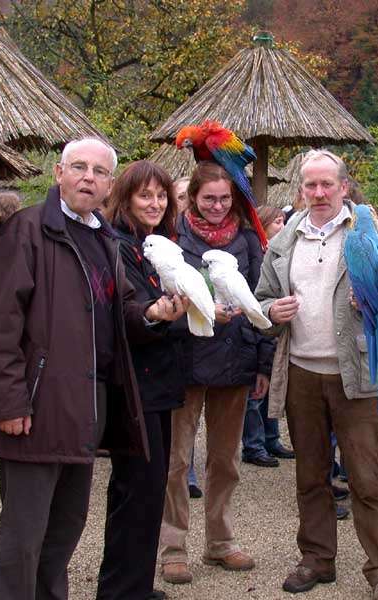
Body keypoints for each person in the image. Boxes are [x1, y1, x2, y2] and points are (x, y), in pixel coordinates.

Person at [0, 138, 186, 600]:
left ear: (109, 184)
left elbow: (121, 308)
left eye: (99, 171)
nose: (89, 177)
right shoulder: (26, 231)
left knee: (65, 529)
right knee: (24, 534)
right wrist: (8, 401)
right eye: (79, 167)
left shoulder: (103, 235)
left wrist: (153, 314)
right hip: (37, 407)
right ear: (58, 172)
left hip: (87, 406)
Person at [255, 149, 378, 600]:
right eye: (311, 185)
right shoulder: (284, 240)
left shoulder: (375, 233)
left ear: (344, 187)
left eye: (328, 184)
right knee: (311, 475)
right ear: (301, 190)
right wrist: (273, 310)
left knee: (368, 480)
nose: (319, 192)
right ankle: (317, 559)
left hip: (358, 375)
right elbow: (262, 300)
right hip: (302, 375)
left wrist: (377, 306)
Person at [159, 161, 274, 585]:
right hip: (185, 359)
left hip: (235, 359)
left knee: (225, 460)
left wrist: (263, 362)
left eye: (225, 198)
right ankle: (173, 546)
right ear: (193, 197)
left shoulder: (248, 240)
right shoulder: (172, 238)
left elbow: (263, 297)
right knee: (175, 460)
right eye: (209, 198)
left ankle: (220, 542)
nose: (218, 206)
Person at [96, 160, 186, 600]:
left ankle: (134, 585)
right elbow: (126, 315)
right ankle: (121, 591)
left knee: (147, 493)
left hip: (159, 385)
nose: (155, 203)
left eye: (161, 195)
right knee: (137, 493)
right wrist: (156, 315)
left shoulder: (154, 243)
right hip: (136, 388)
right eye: (144, 195)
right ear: (126, 198)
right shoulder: (119, 247)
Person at [241, 205, 294, 467]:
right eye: (277, 222)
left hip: (272, 330)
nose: (282, 228)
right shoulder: (254, 251)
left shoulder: (276, 253)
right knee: (255, 393)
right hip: (253, 328)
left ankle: (270, 438)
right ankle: (254, 444)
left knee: (269, 385)